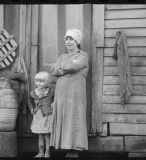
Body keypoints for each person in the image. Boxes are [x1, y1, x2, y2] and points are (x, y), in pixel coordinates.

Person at [50, 29, 89, 157]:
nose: (68, 42)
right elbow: (53, 70)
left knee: (75, 116)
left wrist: (61, 68)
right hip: (61, 92)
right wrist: (63, 68)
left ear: (77, 41)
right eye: (66, 39)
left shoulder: (83, 55)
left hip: (75, 92)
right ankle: (65, 146)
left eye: (71, 39)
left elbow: (74, 67)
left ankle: (75, 149)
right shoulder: (62, 56)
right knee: (63, 116)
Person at [28, 71, 54, 158]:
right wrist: (31, 108)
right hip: (38, 116)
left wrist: (53, 105)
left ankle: (47, 151)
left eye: (41, 81)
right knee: (40, 134)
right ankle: (40, 152)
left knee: (47, 134)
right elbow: (29, 101)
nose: (38, 83)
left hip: (47, 115)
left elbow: (56, 100)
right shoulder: (33, 93)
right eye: (37, 81)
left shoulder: (51, 92)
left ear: (46, 82)